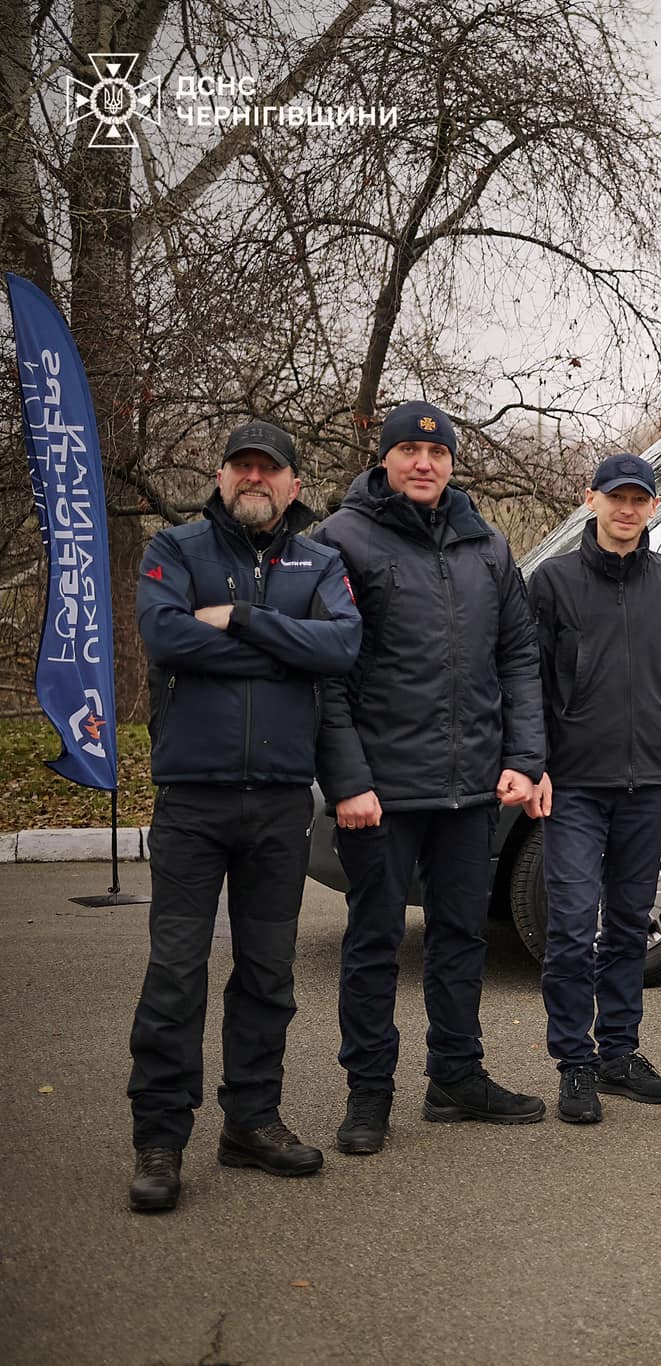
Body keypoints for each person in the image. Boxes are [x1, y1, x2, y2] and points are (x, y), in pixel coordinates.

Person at [126, 421, 362, 1213]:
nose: (255, 479)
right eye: (242, 467)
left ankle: (251, 1122)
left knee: (268, 975)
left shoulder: (320, 561)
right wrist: (286, 654)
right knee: (175, 975)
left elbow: (342, 647)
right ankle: (160, 1139)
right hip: (193, 801)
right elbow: (164, 636)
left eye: (271, 469)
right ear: (222, 477)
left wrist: (242, 622)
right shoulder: (176, 550)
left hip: (279, 806)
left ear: (295, 483)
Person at [313, 400, 549, 1152]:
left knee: (460, 937)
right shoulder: (341, 541)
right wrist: (348, 779)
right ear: (384, 459)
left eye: (438, 453)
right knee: (375, 942)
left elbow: (519, 656)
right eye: (410, 452)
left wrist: (524, 758)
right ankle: (368, 1093)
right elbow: (328, 677)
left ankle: (456, 1076)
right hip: (381, 792)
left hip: (472, 786)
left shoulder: (487, 546)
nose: (425, 463)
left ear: (452, 464)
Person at [525, 453, 661, 1121]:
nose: (627, 509)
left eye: (639, 498)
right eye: (616, 497)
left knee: (631, 926)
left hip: (649, 785)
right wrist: (535, 764)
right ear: (592, 500)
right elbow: (529, 682)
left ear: (654, 507)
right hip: (574, 786)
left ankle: (617, 1053)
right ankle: (573, 1063)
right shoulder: (552, 583)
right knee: (575, 927)